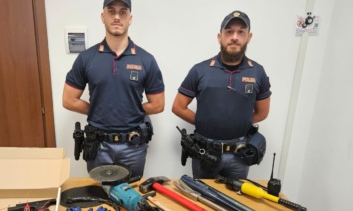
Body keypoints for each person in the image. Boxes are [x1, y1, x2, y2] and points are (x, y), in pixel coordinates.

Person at [63, 0, 165, 178]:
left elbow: (158, 105)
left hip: (133, 146)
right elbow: (68, 100)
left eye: (123, 12)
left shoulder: (146, 59)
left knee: (131, 197)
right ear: (103, 16)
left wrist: (128, 108)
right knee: (101, 196)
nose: (117, 17)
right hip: (99, 146)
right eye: (111, 11)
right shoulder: (86, 58)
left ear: (130, 18)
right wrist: (99, 108)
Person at [172, 10, 271, 179]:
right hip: (205, 152)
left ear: (249, 37)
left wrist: (237, 122)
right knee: (203, 200)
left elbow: (262, 112)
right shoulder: (200, 70)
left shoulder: (258, 72)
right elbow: (178, 107)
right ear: (220, 37)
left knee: (235, 203)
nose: (234, 37)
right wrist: (205, 121)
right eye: (229, 31)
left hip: (239, 156)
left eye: (241, 32)